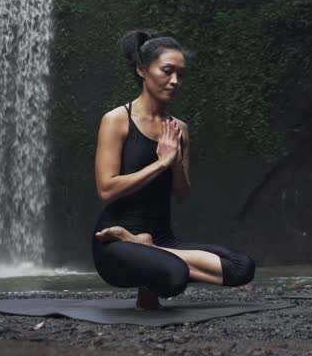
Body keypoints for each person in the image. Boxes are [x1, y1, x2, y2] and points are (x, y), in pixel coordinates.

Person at [91, 30, 255, 309]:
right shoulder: (117, 120)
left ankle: (150, 250)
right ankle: (141, 249)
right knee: (174, 277)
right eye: (167, 71)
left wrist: (176, 162)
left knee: (242, 267)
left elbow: (181, 193)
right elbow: (107, 191)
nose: (175, 81)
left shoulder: (180, 129)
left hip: (162, 239)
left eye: (181, 74)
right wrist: (161, 163)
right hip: (114, 241)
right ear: (142, 70)